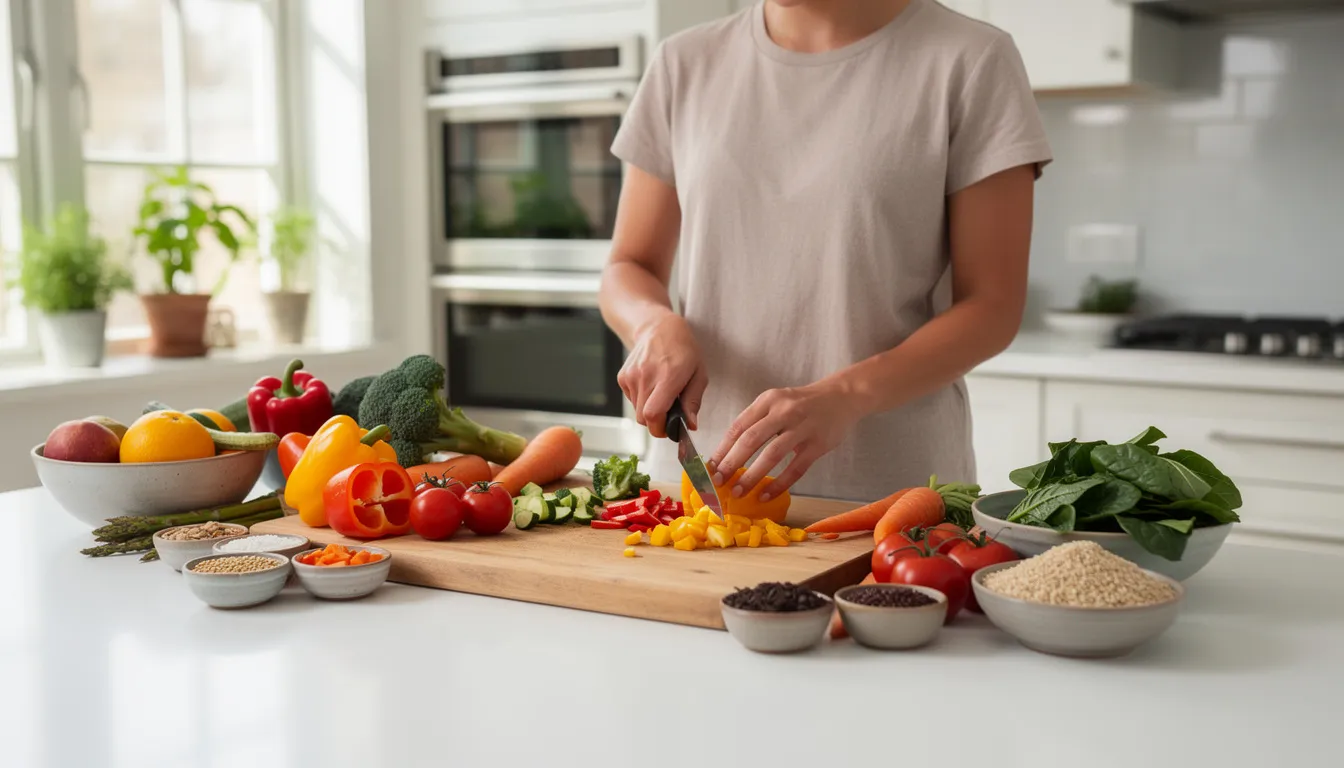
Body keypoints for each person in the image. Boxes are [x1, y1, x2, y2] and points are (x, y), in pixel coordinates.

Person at [599, 0, 1052, 503]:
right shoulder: (683, 63)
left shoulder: (971, 59)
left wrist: (845, 396)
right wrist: (654, 326)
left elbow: (992, 306)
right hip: (698, 487)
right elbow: (628, 267)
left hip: (884, 500)